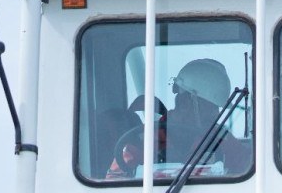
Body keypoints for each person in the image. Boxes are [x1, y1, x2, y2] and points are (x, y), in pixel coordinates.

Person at [106, 58, 248, 179]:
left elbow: (247, 177)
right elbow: (115, 183)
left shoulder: (222, 140)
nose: (215, 114)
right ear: (186, 101)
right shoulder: (141, 139)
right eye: (210, 107)